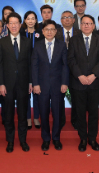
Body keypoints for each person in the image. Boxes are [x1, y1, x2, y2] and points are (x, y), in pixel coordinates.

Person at [68, 15, 99, 152]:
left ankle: (92, 138)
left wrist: (93, 75)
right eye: (84, 23)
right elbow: (71, 60)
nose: (86, 25)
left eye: (89, 23)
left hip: (94, 83)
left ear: (93, 25)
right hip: (78, 83)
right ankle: (83, 139)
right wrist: (80, 75)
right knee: (80, 113)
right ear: (80, 25)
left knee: (93, 113)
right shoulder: (74, 40)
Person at [0, 12, 33, 153]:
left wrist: (30, 82)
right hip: (7, 85)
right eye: (11, 23)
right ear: (7, 25)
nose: (14, 25)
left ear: (20, 24)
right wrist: (1, 84)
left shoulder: (27, 41)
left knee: (23, 115)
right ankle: (10, 141)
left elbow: (30, 64)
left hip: (23, 84)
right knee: (8, 115)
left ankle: (23, 140)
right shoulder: (2, 42)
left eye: (16, 23)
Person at [32, 20, 69, 151]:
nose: (49, 32)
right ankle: (46, 139)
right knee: (44, 112)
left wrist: (65, 83)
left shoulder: (62, 45)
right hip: (41, 86)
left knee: (57, 112)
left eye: (52, 29)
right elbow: (34, 66)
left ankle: (56, 138)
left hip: (58, 85)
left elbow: (65, 66)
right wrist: (35, 84)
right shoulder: (37, 45)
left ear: (56, 31)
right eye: (46, 29)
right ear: (42, 31)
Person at [55, 10, 81, 130]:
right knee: (59, 97)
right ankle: (60, 121)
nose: (67, 19)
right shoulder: (55, 33)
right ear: (61, 20)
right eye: (64, 17)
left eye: (69, 17)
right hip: (58, 70)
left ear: (74, 20)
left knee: (76, 97)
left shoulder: (79, 33)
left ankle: (76, 120)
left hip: (76, 70)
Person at [20, 11, 44, 130]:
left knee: (37, 93)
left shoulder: (41, 33)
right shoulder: (20, 33)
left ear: (36, 20)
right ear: (24, 20)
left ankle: (36, 117)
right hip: (24, 66)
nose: (30, 21)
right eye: (28, 18)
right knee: (26, 94)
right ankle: (28, 117)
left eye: (33, 18)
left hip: (38, 67)